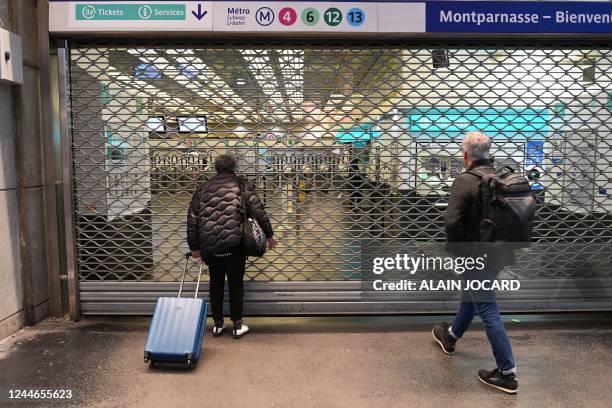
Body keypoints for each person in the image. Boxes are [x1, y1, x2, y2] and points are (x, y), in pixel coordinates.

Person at [432, 131, 518, 394]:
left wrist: (459, 252)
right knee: (474, 293)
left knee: (487, 307)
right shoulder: (502, 178)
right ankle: (452, 335)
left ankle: (507, 373)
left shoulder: (465, 181)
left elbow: (451, 222)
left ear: (465, 154)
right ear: (488, 152)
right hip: (500, 253)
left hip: (475, 255)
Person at [187, 154, 277, 339]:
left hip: (210, 246)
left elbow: (192, 219)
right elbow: (257, 210)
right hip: (235, 244)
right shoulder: (242, 184)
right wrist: (269, 235)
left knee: (215, 284)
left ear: (216, 168)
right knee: (236, 285)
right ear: (234, 167)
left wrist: (194, 247)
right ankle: (237, 325)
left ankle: (218, 325)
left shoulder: (202, 188)